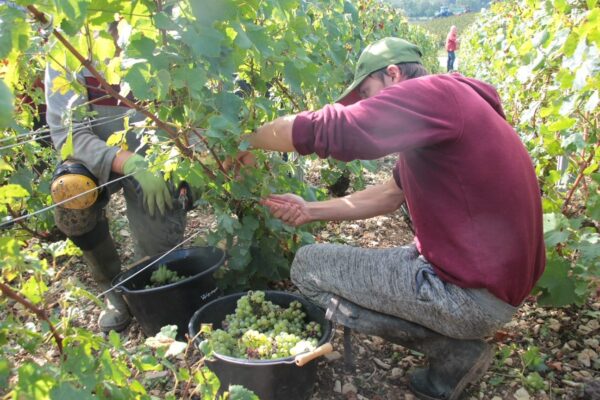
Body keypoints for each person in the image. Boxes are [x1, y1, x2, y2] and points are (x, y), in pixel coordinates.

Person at [236, 37, 546, 400]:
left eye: (368, 94)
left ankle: (453, 351)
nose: (369, 105)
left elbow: (333, 129)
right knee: (353, 261)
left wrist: (247, 141)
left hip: (470, 297)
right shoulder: (453, 108)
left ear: (394, 74)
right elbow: (389, 193)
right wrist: (309, 209)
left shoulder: (435, 94)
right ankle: (452, 342)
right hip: (490, 286)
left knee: (307, 266)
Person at [45, 24, 188, 333]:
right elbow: (68, 133)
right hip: (93, 157)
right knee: (71, 193)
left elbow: (186, 111)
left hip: (153, 153)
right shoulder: (66, 45)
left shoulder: (160, 28)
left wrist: (173, 163)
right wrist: (129, 162)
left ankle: (141, 273)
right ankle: (110, 285)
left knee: (158, 250)